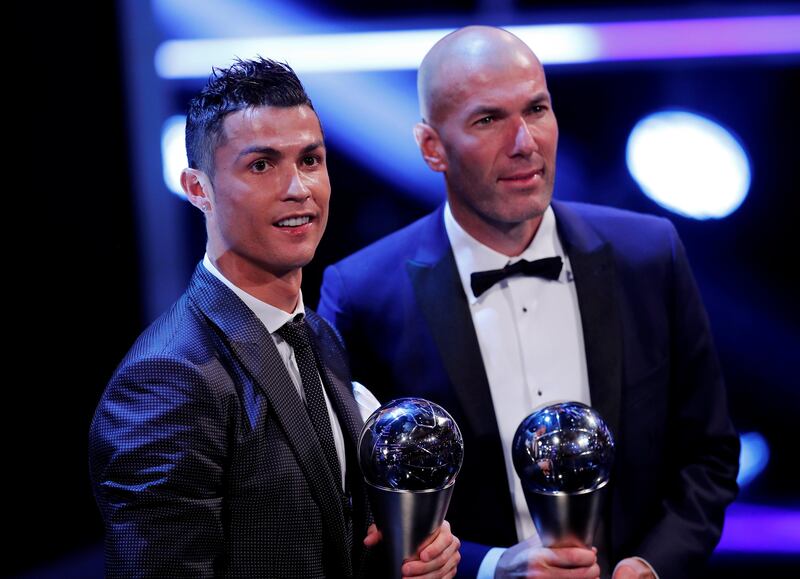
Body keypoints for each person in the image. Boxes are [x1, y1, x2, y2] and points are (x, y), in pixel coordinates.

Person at [318, 26, 739, 579]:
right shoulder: (361, 292)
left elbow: (708, 456)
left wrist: (650, 566)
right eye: (488, 119)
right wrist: (490, 567)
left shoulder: (649, 254)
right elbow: (352, 501)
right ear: (431, 147)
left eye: (536, 108)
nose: (525, 142)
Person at [89, 57, 460, 578]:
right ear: (198, 189)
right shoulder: (166, 380)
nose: (298, 189)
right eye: (262, 165)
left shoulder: (319, 336)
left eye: (310, 160)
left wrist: (402, 554)